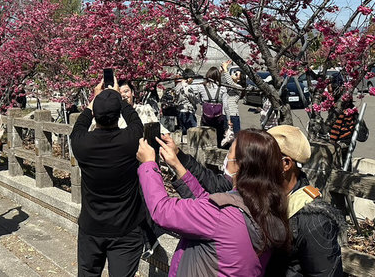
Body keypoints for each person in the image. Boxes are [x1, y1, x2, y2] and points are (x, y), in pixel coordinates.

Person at [161, 126, 344, 276]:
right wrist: (180, 158)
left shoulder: (312, 217)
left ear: (285, 164)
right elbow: (214, 188)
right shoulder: (253, 193)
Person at [136, 129, 289, 276]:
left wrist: (148, 165)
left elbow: (163, 211)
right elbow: (205, 203)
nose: (227, 159)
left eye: (229, 153)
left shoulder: (220, 216)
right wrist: (177, 166)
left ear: (240, 165)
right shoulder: (268, 207)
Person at [70, 80, 146, 277]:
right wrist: (118, 98)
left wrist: (95, 98)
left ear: (95, 114)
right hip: (126, 229)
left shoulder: (82, 144)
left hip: (91, 227)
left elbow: (80, 124)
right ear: (118, 114)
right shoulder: (130, 140)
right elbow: (135, 120)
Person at [191, 67, 231, 147]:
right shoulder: (222, 88)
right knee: (219, 137)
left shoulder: (201, 87)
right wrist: (229, 119)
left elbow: (198, 100)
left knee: (205, 138)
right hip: (218, 118)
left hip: (206, 117)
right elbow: (226, 106)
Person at [220, 61, 245, 146]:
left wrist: (226, 69)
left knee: (236, 137)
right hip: (225, 113)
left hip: (233, 114)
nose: (233, 73)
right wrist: (222, 71)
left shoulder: (239, 88)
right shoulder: (229, 86)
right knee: (226, 136)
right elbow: (223, 81)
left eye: (236, 73)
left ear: (239, 79)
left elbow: (230, 83)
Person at [175, 69, 199, 136]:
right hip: (188, 111)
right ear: (189, 78)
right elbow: (194, 100)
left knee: (183, 132)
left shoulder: (177, 86)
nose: (193, 80)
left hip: (180, 110)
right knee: (193, 132)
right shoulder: (187, 87)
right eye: (192, 78)